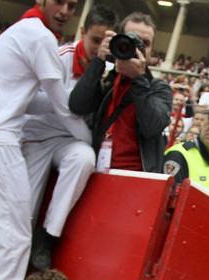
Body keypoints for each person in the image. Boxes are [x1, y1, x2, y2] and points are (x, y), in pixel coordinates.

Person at [0, 0, 91, 280]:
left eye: (71, 5)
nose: (64, 11)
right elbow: (64, 109)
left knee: (3, 233)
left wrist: (61, 100)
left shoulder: (23, 29)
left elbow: (34, 102)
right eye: (59, 2)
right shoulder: (40, 36)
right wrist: (90, 143)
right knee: (12, 239)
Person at [21, 4, 116, 269]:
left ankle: (48, 236)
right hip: (38, 136)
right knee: (22, 213)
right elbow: (28, 102)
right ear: (82, 31)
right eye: (95, 40)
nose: (98, 48)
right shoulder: (58, 55)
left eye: (104, 42)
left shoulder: (110, 68)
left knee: (85, 158)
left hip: (70, 141)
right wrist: (61, 105)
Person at [68, 11, 173, 174]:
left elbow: (153, 127)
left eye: (145, 43)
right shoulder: (108, 81)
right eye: (132, 40)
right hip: (97, 173)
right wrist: (98, 61)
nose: (139, 47)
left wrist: (138, 78)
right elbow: (77, 106)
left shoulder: (159, 88)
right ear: (117, 41)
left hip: (135, 179)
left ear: (151, 50)